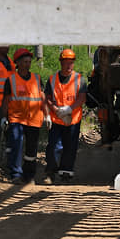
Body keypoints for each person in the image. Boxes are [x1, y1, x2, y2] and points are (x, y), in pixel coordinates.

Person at [43, 48, 88, 183]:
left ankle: (66, 173)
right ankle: (50, 171)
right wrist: (55, 110)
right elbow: (48, 98)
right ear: (61, 62)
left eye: (71, 63)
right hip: (57, 118)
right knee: (53, 146)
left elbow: (81, 98)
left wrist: (69, 109)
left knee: (70, 146)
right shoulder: (52, 79)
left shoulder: (79, 79)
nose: (68, 66)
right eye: (66, 63)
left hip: (72, 118)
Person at [2, 47, 46, 184]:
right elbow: (6, 101)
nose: (28, 64)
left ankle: (29, 176)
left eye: (29, 61)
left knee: (31, 151)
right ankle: (16, 174)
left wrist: (47, 115)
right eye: (25, 61)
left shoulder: (37, 79)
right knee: (16, 143)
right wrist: (4, 117)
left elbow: (43, 98)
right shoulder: (11, 80)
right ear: (18, 63)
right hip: (16, 118)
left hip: (34, 119)